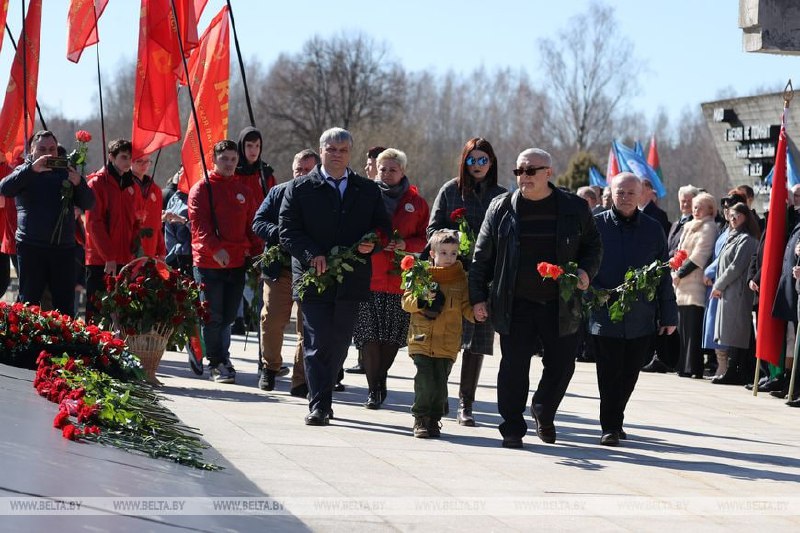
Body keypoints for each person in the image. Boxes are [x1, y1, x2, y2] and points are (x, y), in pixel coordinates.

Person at [469, 148, 602, 448]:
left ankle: (543, 408)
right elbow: (482, 257)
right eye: (519, 171)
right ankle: (512, 428)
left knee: (562, 365)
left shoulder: (574, 207)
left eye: (530, 171)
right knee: (514, 366)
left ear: (548, 173)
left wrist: (585, 271)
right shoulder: (501, 208)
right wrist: (478, 297)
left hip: (561, 303)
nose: (523, 177)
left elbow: (593, 245)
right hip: (516, 302)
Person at [280, 127, 391, 426]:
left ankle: (324, 394)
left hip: (351, 279)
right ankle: (319, 405)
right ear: (321, 150)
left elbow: (383, 228)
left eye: (343, 150)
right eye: (331, 149)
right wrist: (310, 254)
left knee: (340, 343)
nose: (337, 154)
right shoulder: (300, 188)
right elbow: (288, 231)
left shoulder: (366, 190)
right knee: (316, 341)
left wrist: (373, 242)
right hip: (313, 278)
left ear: (350, 153)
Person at [589, 173, 677, 446]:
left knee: (630, 372)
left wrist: (668, 314)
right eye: (620, 192)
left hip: (641, 315)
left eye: (630, 193)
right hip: (605, 313)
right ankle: (610, 426)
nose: (625, 197)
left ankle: (617, 418)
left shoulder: (653, 229)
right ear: (611, 194)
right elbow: (585, 263)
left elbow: (663, 273)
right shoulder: (596, 225)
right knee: (608, 372)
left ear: (641, 195)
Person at [428, 137, 507, 426]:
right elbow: (432, 230)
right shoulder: (451, 190)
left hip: (485, 278)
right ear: (464, 162)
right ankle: (438, 396)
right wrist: (452, 241)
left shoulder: (502, 196)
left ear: (492, 162)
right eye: (472, 160)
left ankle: (466, 404)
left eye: (483, 160)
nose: (477, 165)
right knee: (449, 338)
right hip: (452, 274)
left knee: (477, 342)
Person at [353, 148, 429, 409]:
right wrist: (369, 242)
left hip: (398, 282)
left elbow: (424, 239)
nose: (386, 174)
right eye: (382, 169)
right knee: (368, 335)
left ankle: (380, 377)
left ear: (403, 171)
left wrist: (404, 244)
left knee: (391, 339)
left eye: (392, 169)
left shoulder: (416, 202)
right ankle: (374, 388)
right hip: (368, 277)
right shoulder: (364, 196)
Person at [0, 131, 95, 315]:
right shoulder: (25, 170)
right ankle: (28, 342)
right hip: (31, 246)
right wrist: (31, 170)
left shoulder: (67, 171)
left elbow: (89, 203)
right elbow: (5, 188)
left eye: (52, 149)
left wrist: (79, 184)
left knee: (64, 305)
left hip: (63, 248)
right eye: (42, 149)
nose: (48, 153)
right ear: (32, 150)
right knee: (29, 303)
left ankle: (63, 343)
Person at [189, 140, 260, 383]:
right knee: (213, 315)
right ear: (214, 160)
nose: (229, 164)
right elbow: (199, 226)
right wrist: (215, 249)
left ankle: (211, 350)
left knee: (229, 316)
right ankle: (217, 362)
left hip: (237, 262)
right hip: (209, 262)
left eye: (232, 159)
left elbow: (252, 227)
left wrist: (259, 253)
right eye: (224, 159)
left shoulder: (244, 191)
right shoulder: (201, 189)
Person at [251, 149, 320, 394]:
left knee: (307, 325)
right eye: (298, 170)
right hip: (279, 268)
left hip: (309, 269)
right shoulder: (278, 192)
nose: (301, 174)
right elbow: (258, 222)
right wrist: (281, 234)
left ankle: (300, 379)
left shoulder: (322, 197)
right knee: (271, 319)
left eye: (307, 170)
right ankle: (270, 369)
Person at [402, 230, 474, 437]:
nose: (449, 258)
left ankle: (434, 419)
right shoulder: (419, 274)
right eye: (443, 253)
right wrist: (422, 298)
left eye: (453, 253)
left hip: (447, 342)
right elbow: (406, 303)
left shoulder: (461, 280)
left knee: (440, 385)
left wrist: (478, 313)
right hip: (421, 339)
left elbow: (467, 307)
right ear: (432, 254)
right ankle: (420, 418)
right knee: (425, 381)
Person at [643, 185, 701, 373]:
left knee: (679, 324)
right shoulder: (677, 223)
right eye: (682, 200)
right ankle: (660, 356)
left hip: (685, 279)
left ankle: (673, 359)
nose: (685, 203)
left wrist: (678, 272)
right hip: (670, 273)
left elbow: (696, 254)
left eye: (688, 200)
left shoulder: (697, 223)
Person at [84, 139, 138, 322]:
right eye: (123, 157)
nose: (128, 162)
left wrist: (134, 250)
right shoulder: (97, 184)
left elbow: (134, 222)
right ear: (111, 157)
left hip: (125, 258)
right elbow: (94, 224)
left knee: (122, 312)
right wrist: (109, 256)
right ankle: (92, 349)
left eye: (130, 157)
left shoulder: (132, 185)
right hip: (101, 260)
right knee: (98, 310)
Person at [346, 144, 388, 376]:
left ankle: (369, 361)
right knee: (361, 318)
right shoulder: (360, 190)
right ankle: (363, 357)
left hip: (384, 270)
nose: (366, 167)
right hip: (362, 266)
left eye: (371, 163)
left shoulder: (395, 194)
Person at [233, 127, 277, 335]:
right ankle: (238, 319)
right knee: (237, 287)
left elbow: (274, 203)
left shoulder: (265, 173)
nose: (253, 150)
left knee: (261, 293)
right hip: (237, 238)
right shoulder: (233, 172)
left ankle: (263, 345)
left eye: (257, 146)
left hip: (261, 239)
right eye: (249, 146)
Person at [710, 202, 760, 383]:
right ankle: (733, 369)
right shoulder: (732, 236)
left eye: (737, 215)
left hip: (737, 291)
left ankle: (734, 369)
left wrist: (718, 285)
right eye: (731, 215)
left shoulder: (746, 239)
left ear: (746, 217)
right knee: (729, 330)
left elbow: (735, 267)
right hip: (728, 289)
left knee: (735, 330)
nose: (733, 218)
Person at [672, 193, 718, 378]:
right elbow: (681, 252)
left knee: (693, 328)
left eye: (700, 207)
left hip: (695, 283)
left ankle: (694, 367)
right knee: (682, 328)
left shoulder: (709, 227)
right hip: (681, 283)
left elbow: (699, 256)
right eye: (695, 206)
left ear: (710, 209)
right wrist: (674, 267)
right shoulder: (689, 225)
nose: (696, 210)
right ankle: (683, 365)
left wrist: (680, 273)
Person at [131, 154, 166, 259]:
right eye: (139, 161)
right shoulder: (123, 186)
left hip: (150, 250)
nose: (144, 165)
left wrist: (161, 251)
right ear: (130, 162)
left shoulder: (155, 189)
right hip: (128, 248)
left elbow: (157, 224)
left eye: (147, 161)